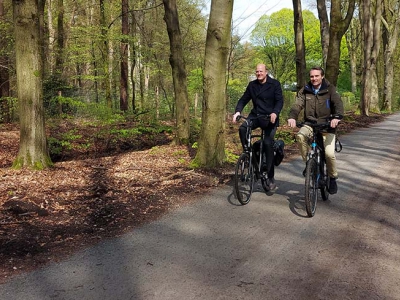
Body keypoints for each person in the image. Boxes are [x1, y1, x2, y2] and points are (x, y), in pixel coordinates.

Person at [287, 66, 344, 194]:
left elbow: (338, 104)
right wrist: (292, 117)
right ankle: (309, 164)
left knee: (329, 154)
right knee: (300, 136)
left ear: (322, 76)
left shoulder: (330, 89)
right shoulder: (305, 90)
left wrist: (337, 117)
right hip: (310, 124)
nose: (314, 79)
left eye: (316, 76)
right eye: (312, 76)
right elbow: (297, 105)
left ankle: (333, 177)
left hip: (327, 125)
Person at [232, 63, 284, 190]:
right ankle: (248, 153)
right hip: (256, 116)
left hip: (270, 118)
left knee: (267, 143)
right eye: (257, 72)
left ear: (266, 72)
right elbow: (244, 99)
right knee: (243, 128)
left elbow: (279, 101)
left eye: (261, 71)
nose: (259, 73)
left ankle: (270, 176)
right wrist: (238, 111)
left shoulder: (275, 84)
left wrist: (275, 112)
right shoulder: (252, 85)